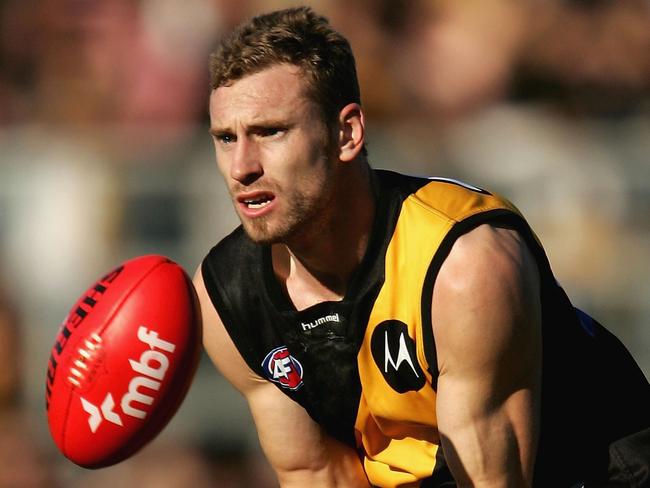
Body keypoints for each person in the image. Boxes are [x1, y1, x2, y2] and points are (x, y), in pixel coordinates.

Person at [193, 6, 650, 487]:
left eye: (270, 132)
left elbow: (496, 480)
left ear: (347, 133)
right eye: (225, 138)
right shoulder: (228, 296)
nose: (242, 166)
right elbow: (318, 474)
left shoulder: (463, 263)